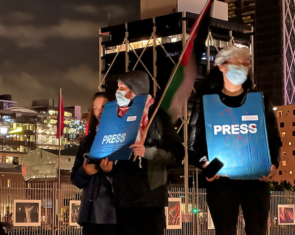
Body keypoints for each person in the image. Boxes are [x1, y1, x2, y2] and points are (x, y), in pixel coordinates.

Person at [188, 46, 281, 235]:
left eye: (246, 64)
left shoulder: (260, 101)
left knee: (257, 230)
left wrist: (272, 166)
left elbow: (274, 140)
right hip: (222, 182)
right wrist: (207, 167)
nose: (242, 67)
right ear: (221, 66)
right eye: (237, 63)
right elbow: (193, 146)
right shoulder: (206, 103)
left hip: (256, 181)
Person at [99, 70, 185, 235]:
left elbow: (177, 153)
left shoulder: (158, 117)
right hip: (124, 197)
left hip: (150, 196)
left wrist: (149, 152)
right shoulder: (115, 118)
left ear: (136, 89)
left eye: (123, 88)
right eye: (118, 87)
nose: (119, 92)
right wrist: (109, 168)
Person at [71, 92, 117, 235]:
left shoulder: (120, 137)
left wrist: (110, 171)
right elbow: (75, 178)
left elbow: (128, 175)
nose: (100, 111)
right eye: (96, 108)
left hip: (111, 214)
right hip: (89, 214)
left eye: (103, 106)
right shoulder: (87, 142)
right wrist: (85, 172)